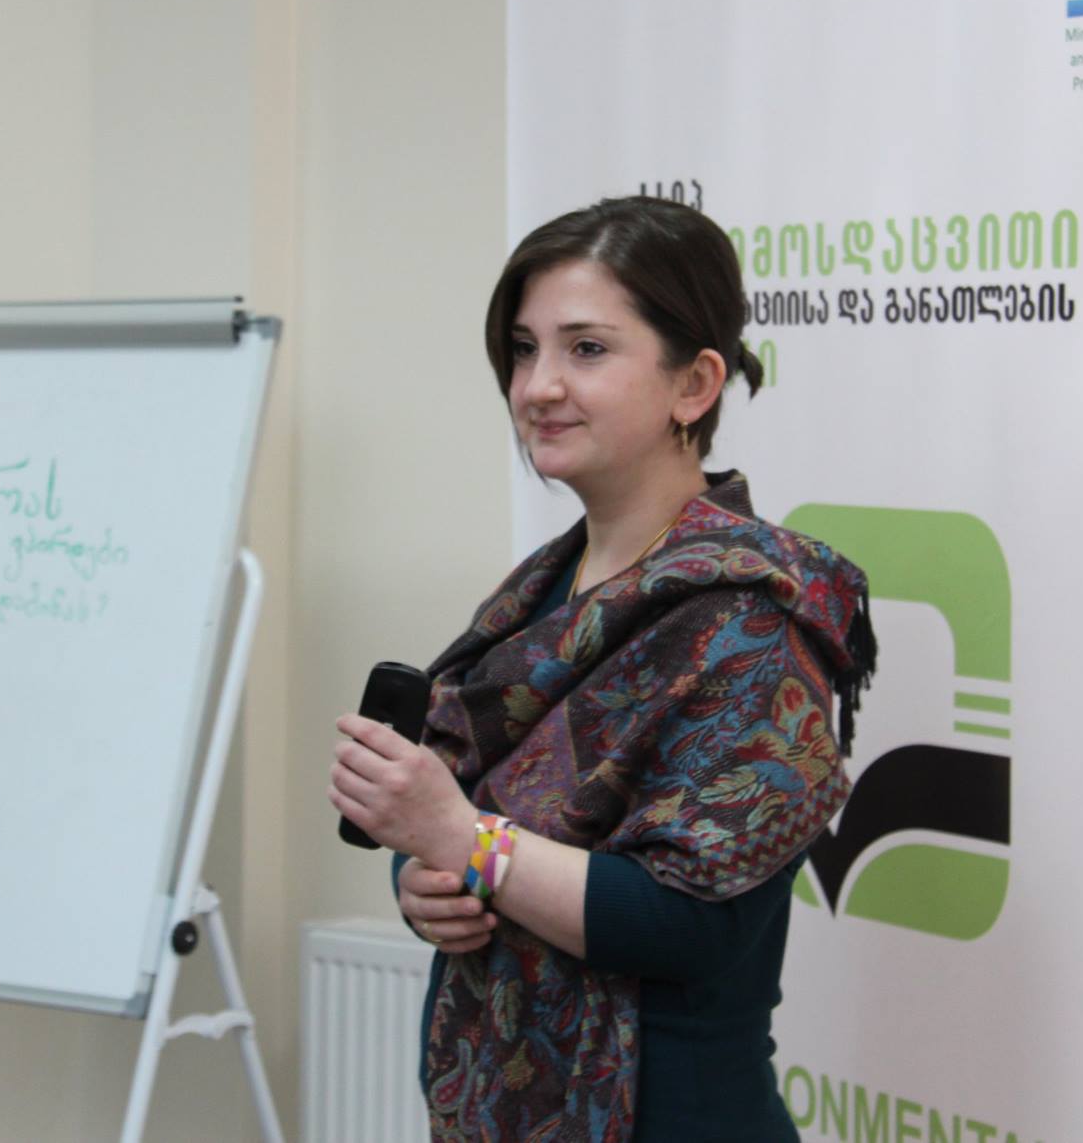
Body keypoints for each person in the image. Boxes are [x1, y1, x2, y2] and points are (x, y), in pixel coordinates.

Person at [328, 195, 875, 1142]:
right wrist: (427, 883)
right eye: (523, 348)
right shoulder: (539, 591)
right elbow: (470, 819)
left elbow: (692, 924)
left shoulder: (745, 617)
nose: (538, 385)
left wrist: (463, 840)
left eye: (585, 349)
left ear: (693, 383)